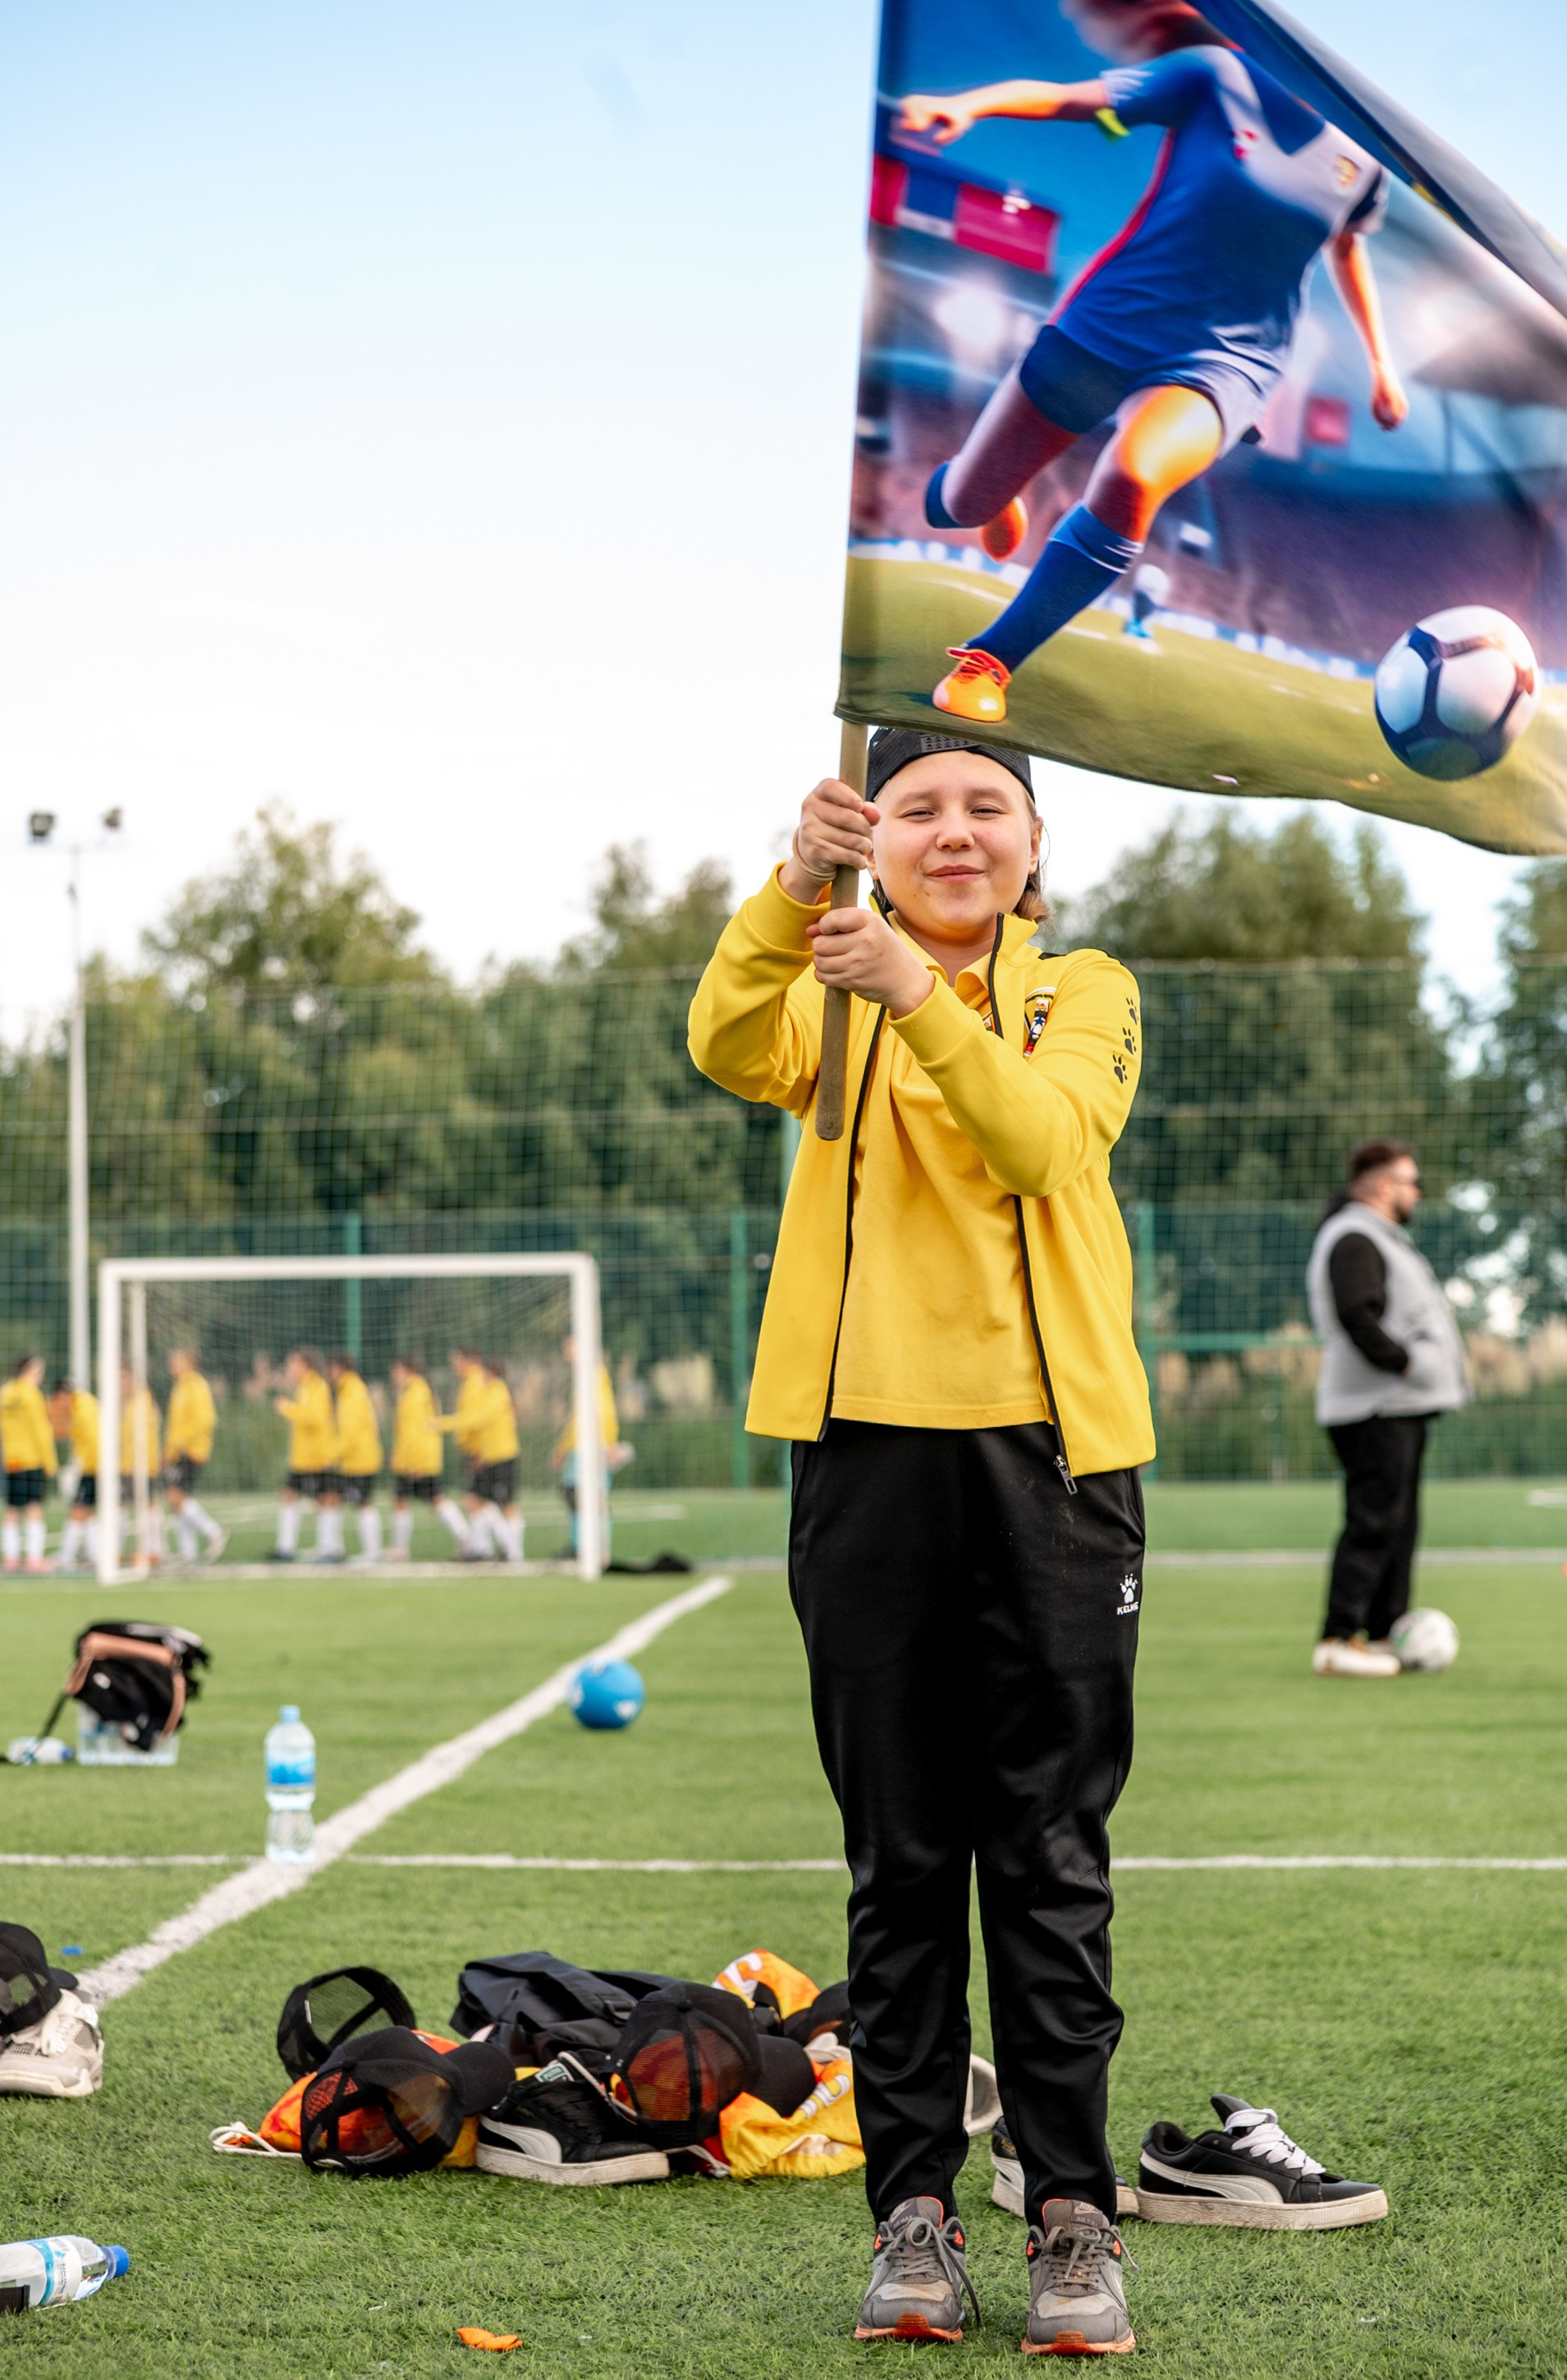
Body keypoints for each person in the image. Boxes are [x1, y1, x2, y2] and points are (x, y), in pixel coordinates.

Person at [687, 727, 1153, 2355]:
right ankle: (911, 2213)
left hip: (1054, 1465)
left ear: (1034, 836)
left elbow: (1039, 1146)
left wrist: (909, 993)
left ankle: (1074, 2216)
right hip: (866, 1460)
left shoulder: (1085, 988)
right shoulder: (825, 971)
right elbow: (723, 1036)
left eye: (986, 807)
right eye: (916, 808)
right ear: (870, 832)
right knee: (899, 1861)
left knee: (1046, 1854)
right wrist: (792, 885)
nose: (954, 833)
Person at [897, 0, 1407, 724]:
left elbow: (1347, 247)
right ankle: (991, 495)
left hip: (1231, 360)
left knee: (1133, 476)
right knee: (960, 504)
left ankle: (991, 661)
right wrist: (967, 106)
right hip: (1108, 323)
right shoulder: (1213, 75)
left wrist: (1381, 366)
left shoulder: (1363, 160)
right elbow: (1071, 100)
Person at [1307, 1140, 1468, 1679]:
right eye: (1410, 1181)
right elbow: (1357, 1312)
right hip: (1374, 1405)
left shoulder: (1379, 1236)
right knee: (1373, 1521)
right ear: (1382, 1186)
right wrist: (1403, 1363)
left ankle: (1380, 1631)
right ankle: (1336, 1638)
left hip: (1396, 1406)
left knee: (1398, 1523)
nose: (1415, 1191)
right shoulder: (1354, 1236)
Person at [442, 1349, 525, 1563]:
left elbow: (477, 1419)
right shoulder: (490, 1391)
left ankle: (514, 1551)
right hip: (488, 1456)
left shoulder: (498, 1392)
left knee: (506, 1504)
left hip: (502, 1455)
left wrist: (442, 1424)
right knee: (477, 1500)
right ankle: (485, 1548)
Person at [387, 1357, 471, 1559]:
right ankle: (400, 1548)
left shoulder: (417, 1393)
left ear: (407, 1370)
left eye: (396, 1370)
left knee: (432, 1500)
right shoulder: (412, 1392)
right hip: (413, 1460)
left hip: (418, 1462)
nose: (394, 1376)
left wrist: (413, 1461)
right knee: (405, 1501)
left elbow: (417, 1432)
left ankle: (467, 1538)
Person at [548, 1333, 621, 1562]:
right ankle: (579, 1546)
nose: (566, 1351)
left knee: (593, 1498)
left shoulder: (595, 1374)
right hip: (581, 1447)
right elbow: (578, 1418)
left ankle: (599, 1549)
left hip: (592, 1446)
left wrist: (609, 1443)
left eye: (570, 1346)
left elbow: (603, 1413)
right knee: (574, 1497)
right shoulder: (585, 1375)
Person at [273, 1349, 341, 1564]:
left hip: (315, 1457)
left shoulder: (316, 1386)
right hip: (304, 1457)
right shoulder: (305, 1387)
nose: (289, 1368)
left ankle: (330, 1548)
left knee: (324, 1500)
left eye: (293, 1364)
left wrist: (287, 1408)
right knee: (292, 1495)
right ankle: (287, 1547)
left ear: (305, 1366)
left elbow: (314, 1418)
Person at [163, 1347, 227, 1565]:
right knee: (179, 1500)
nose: (172, 1362)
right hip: (179, 1451)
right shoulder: (180, 1386)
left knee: (175, 1497)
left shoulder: (196, 1385)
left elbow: (206, 1419)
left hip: (192, 1450)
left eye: (177, 1359)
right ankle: (188, 1552)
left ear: (189, 1363)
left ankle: (214, 1533)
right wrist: (169, 1450)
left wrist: (182, 1442)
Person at [0, 1354, 57, 1575]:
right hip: (32, 1458)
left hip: (12, 1459)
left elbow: (0, 1426)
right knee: (34, 1507)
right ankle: (34, 1559)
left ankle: (10, 1559)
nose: (40, 1375)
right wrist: (50, 1461)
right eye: (38, 1370)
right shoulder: (31, 1394)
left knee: (12, 1509)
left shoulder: (5, 1392)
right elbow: (41, 1430)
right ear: (29, 1370)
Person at [329, 1353, 383, 1565]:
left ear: (339, 1368)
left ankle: (372, 1554)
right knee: (335, 1499)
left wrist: (333, 1454)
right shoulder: (351, 1389)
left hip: (359, 1457)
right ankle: (333, 1548)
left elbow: (350, 1431)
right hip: (357, 1456)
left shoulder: (351, 1391)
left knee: (364, 1504)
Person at [47, 1378, 101, 1572]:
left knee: (77, 1509)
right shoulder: (80, 1405)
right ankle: (96, 1554)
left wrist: (96, 1468)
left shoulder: (83, 1406)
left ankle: (67, 1556)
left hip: (95, 1466)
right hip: (92, 1466)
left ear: (62, 1396)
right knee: (86, 1511)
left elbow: (94, 1437)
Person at [117, 1364, 166, 1564]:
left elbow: (145, 1435)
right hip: (129, 1464)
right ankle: (120, 1550)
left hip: (141, 1465)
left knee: (145, 1505)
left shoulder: (141, 1400)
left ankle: (152, 1550)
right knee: (123, 1505)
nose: (119, 1384)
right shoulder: (132, 1401)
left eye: (122, 1378)